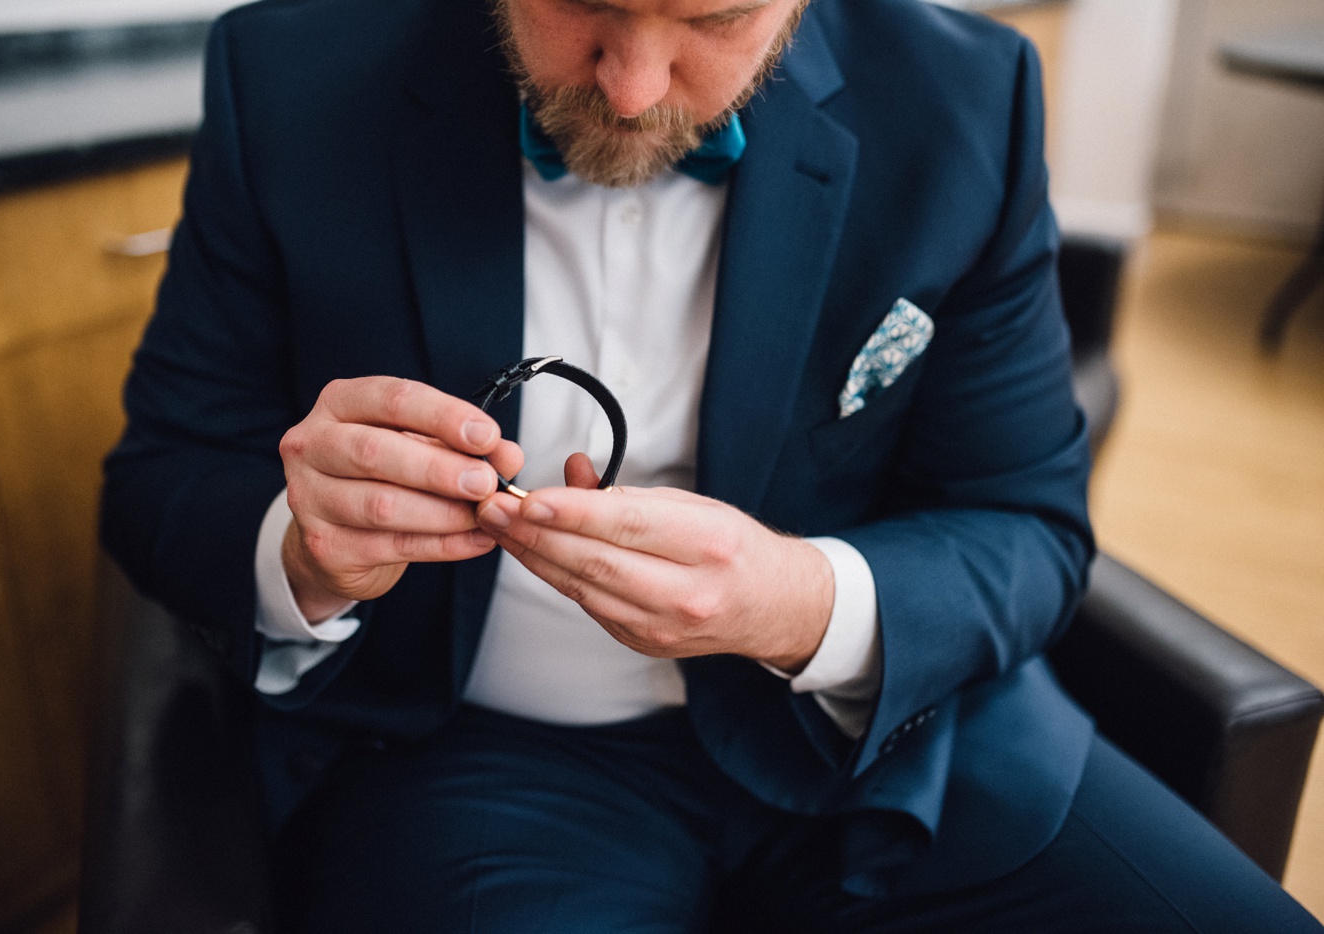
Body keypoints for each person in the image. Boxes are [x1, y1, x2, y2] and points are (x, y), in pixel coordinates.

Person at [100, 0, 1321, 930]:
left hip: (893, 751)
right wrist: (303, 548)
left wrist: (798, 600)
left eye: (715, 18)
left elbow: (1027, 524)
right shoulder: (288, 75)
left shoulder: (964, 97)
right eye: (578, 1)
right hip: (470, 769)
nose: (630, 91)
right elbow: (161, 475)